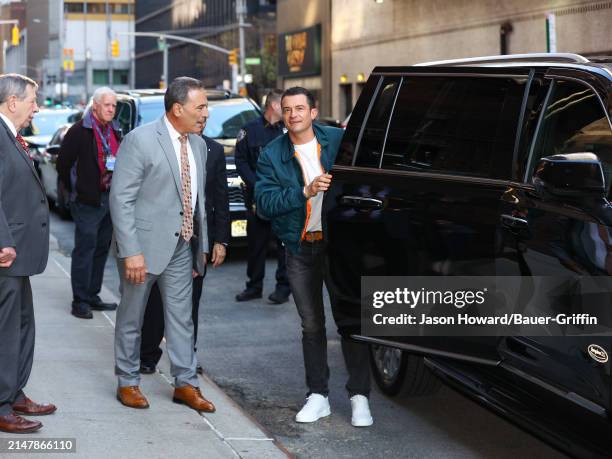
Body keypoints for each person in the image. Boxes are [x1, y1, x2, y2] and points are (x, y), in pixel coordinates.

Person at [255, 87, 373, 427]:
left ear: (313, 112)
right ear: (281, 113)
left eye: (300, 108)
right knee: (311, 325)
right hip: (300, 246)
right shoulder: (271, 155)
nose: (293, 114)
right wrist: (303, 191)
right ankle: (318, 395)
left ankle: (359, 396)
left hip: (341, 247)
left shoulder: (338, 141)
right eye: (287, 109)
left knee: (350, 320)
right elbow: (265, 205)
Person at [109, 77, 214, 413]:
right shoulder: (139, 140)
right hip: (142, 248)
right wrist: (131, 251)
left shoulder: (198, 144)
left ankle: (185, 384)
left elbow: (198, 202)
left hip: (182, 248)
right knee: (132, 317)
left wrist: (203, 246)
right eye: (201, 106)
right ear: (177, 108)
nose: (205, 113)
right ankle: (127, 381)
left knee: (182, 320)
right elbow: (121, 199)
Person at [140, 123, 230, 375]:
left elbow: (220, 199)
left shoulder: (213, 150)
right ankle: (147, 354)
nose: (202, 118)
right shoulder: (162, 145)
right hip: (162, 236)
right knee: (157, 301)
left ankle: (188, 356)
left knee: (191, 303)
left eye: (204, 114)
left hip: (197, 239)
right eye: (198, 111)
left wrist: (220, 240)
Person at [0, 73, 56, 433]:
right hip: (8, 252)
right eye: (33, 100)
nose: (37, 107)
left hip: (20, 253)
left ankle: (15, 391)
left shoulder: (11, 135)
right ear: (12, 101)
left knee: (22, 325)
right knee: (5, 330)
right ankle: (3, 405)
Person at [57, 87, 120, 319]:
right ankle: (80, 301)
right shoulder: (79, 131)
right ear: (95, 106)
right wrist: (77, 191)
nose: (111, 109)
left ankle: (93, 295)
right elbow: (63, 164)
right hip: (86, 202)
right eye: (107, 105)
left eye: (114, 105)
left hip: (108, 199)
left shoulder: (114, 128)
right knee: (85, 250)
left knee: (102, 249)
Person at [234, 89, 290, 304]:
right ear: (275, 106)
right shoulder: (250, 130)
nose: (289, 112)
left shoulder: (288, 131)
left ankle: (283, 288)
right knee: (256, 244)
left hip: (283, 198)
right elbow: (241, 161)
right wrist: (258, 186)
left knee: (284, 245)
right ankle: (254, 286)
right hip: (258, 198)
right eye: (285, 106)